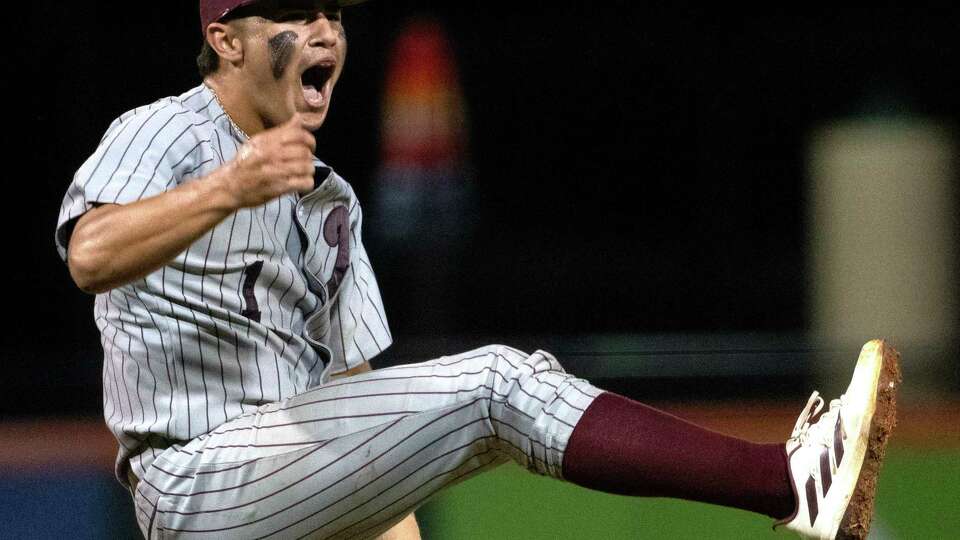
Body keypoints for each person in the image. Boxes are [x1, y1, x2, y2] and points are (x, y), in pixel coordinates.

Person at [56, 1, 900, 538]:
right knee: (500, 384)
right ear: (225, 41)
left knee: (495, 390)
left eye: (333, 16)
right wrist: (228, 187)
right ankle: (785, 481)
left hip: (283, 486)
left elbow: (362, 421)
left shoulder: (329, 201)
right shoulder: (167, 133)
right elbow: (90, 255)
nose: (324, 32)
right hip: (193, 478)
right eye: (295, 12)